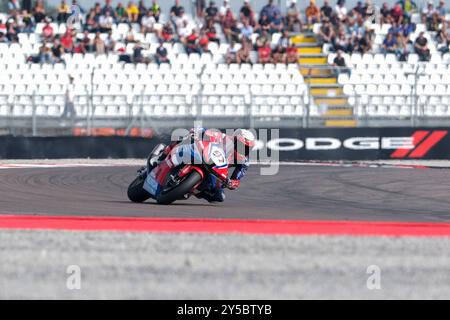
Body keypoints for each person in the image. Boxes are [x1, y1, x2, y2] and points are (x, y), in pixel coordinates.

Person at [147, 128, 256, 203]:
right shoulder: (222, 137)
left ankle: (191, 189)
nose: (244, 150)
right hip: (201, 155)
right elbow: (204, 131)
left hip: (215, 171)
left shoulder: (244, 161)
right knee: (184, 136)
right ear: (235, 140)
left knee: (219, 196)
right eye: (242, 145)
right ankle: (163, 154)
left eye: (247, 148)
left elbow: (236, 179)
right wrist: (197, 132)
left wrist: (231, 183)